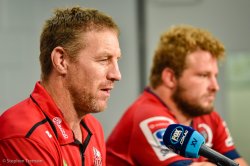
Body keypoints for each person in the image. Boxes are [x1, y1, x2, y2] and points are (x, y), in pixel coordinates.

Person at [106, 25, 248, 166]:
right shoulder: (147, 117)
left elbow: (238, 162)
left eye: (215, 76)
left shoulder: (208, 117)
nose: (215, 86)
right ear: (171, 78)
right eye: (204, 75)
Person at [0, 6, 121, 165]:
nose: (117, 75)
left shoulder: (93, 128)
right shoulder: (24, 134)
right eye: (104, 60)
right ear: (61, 61)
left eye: (117, 60)